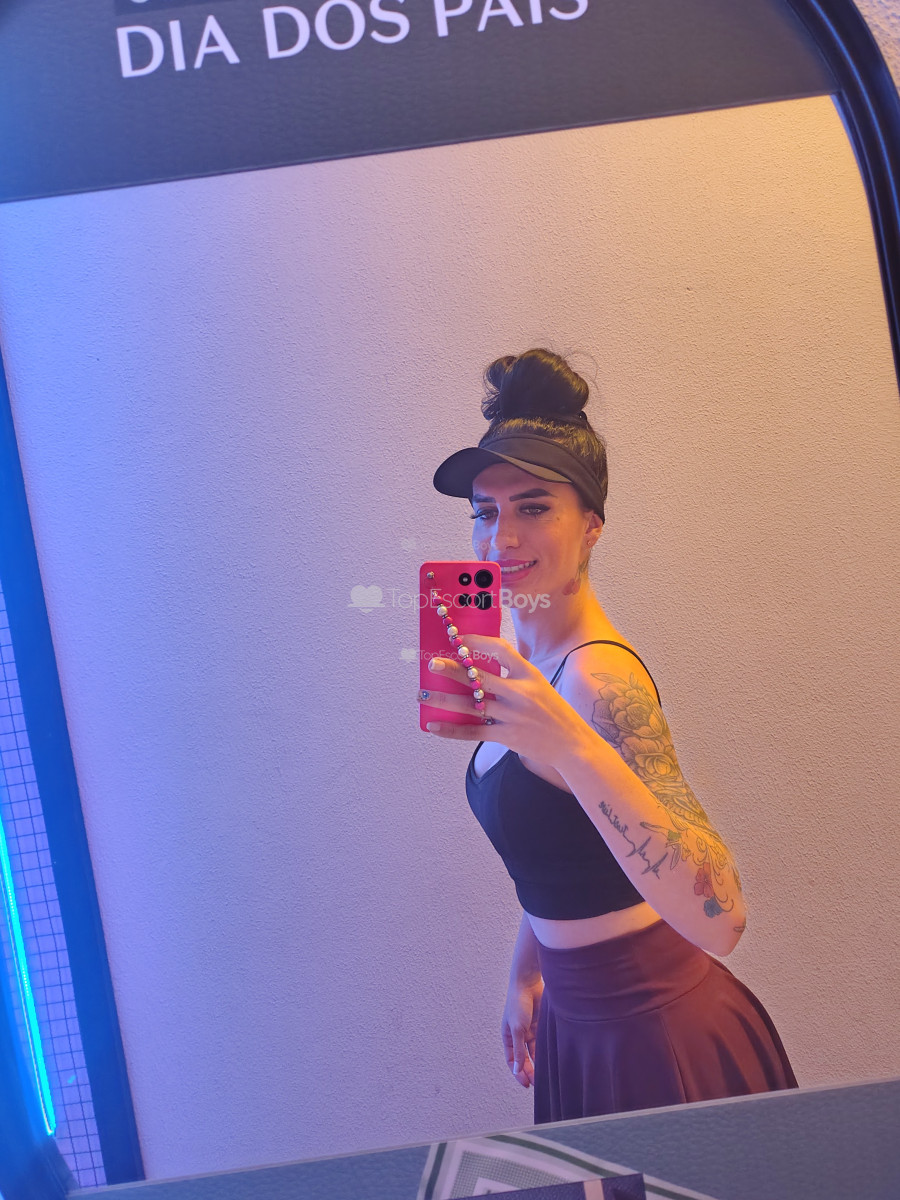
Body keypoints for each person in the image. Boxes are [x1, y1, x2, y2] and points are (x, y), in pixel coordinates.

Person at [421, 348, 798, 1123]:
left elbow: (723, 918)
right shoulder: (526, 670)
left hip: (659, 1036)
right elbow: (565, 846)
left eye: (534, 508)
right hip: (575, 1025)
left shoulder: (599, 682)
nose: (502, 538)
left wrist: (570, 744)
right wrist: (526, 972)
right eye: (485, 513)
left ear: (591, 526)